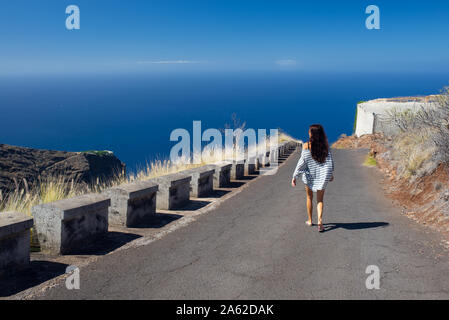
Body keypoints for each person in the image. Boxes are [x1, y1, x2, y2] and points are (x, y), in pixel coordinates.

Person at [291, 124, 334, 232]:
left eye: (309, 131)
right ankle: (320, 221)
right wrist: (331, 174)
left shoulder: (306, 146)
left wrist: (295, 175)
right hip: (322, 177)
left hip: (309, 176)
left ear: (312, 134)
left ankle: (310, 220)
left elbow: (302, 162)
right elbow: (329, 161)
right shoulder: (325, 146)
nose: (308, 133)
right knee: (320, 200)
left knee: (309, 197)